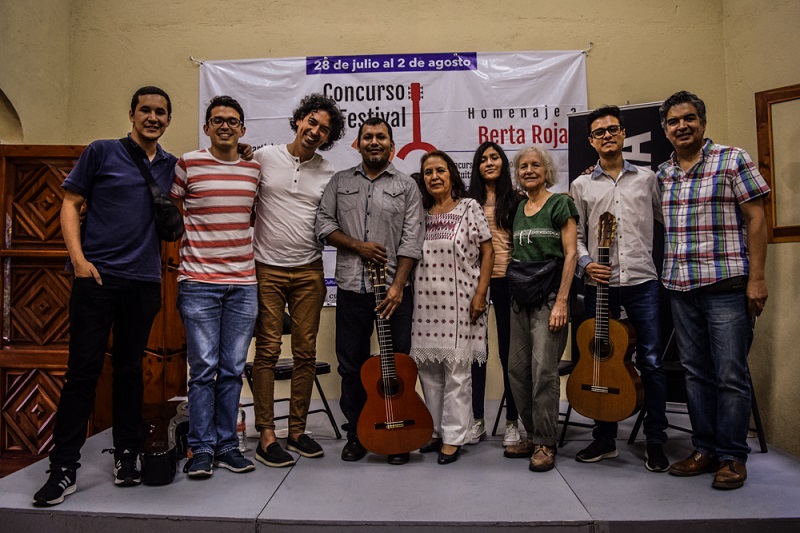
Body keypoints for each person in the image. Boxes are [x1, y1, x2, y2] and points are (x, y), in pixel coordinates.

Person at [33, 86, 176, 506]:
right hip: (95, 279)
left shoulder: (171, 165)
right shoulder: (101, 151)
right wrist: (78, 260)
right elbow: (69, 203)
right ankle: (63, 469)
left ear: (168, 119)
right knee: (82, 372)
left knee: (131, 371)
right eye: (145, 110)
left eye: (161, 112)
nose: (153, 117)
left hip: (145, 282)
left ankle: (126, 456)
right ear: (131, 113)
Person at [658, 91, 769, 490]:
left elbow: (757, 219)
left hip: (726, 285)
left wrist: (757, 278)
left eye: (688, 119)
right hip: (680, 286)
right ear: (665, 130)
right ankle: (704, 449)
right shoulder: (663, 174)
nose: (681, 126)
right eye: (673, 122)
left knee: (731, 375)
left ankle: (732, 457)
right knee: (696, 375)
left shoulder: (732, 159)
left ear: (702, 123)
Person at [316, 117, 424, 465]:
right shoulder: (340, 181)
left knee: (397, 364)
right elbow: (323, 224)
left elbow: (412, 240)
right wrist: (357, 246)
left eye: (381, 137)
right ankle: (358, 434)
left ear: (391, 145)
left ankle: (398, 434)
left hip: (395, 292)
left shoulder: (407, 186)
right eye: (367, 137)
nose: (374, 142)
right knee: (352, 365)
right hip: (351, 287)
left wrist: (397, 286)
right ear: (357, 144)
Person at [569, 105, 669, 471]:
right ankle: (604, 439)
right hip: (601, 285)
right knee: (601, 360)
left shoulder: (648, 179)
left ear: (623, 134)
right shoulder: (580, 185)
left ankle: (655, 441)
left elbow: (668, 222)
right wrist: (585, 263)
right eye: (599, 132)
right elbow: (575, 236)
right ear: (591, 141)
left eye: (613, 129)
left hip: (643, 281)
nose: (607, 135)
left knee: (652, 363)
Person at [250, 94, 346, 468]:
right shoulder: (264, 157)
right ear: (298, 121)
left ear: (328, 137)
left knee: (306, 354)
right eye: (311, 121)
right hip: (266, 270)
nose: (315, 130)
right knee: (268, 352)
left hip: (309, 271)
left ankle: (297, 430)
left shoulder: (328, 173)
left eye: (324, 128)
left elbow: (333, 221)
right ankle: (266, 435)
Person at [170, 95, 260, 478]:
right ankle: (201, 448)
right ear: (207, 127)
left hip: (243, 283)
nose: (225, 125)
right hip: (198, 282)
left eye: (233, 120)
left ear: (242, 129)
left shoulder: (253, 169)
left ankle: (227, 446)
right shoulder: (187, 164)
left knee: (232, 369)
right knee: (203, 369)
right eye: (218, 120)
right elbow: (171, 212)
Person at [411, 151, 493, 464]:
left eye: (440, 170)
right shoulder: (420, 212)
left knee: (458, 374)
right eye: (428, 172)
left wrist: (481, 294)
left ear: (451, 175)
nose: (434, 177)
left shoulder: (469, 207)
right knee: (429, 373)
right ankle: (435, 431)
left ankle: (455, 436)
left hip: (462, 303)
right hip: (426, 305)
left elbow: (489, 252)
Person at [504, 146, 578, 472]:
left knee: (543, 372)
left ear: (547, 170)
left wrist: (562, 301)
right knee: (517, 371)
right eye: (523, 166)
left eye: (536, 165)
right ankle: (532, 435)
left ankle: (546, 443)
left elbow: (572, 255)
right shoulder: (519, 208)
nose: (529, 170)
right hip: (520, 300)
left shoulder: (561, 204)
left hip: (550, 300)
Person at [466, 142, 524, 447]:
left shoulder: (516, 200)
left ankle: (512, 422)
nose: (489, 162)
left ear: (503, 163)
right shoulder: (466, 201)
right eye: (483, 159)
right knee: (477, 355)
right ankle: (476, 419)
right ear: (476, 167)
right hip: (474, 285)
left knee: (508, 355)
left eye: (495, 157)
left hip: (507, 281)